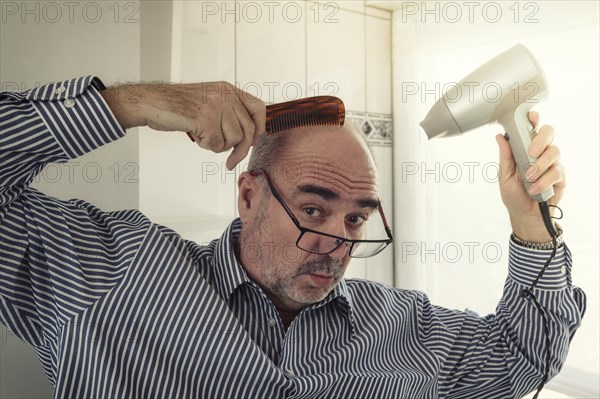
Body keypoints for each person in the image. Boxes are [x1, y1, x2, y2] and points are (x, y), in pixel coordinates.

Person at [0, 76, 586, 399]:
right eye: (313, 207)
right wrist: (132, 104)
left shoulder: (407, 330)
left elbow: (520, 358)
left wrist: (529, 221)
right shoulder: (115, 273)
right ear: (249, 194)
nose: (336, 242)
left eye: (356, 220)